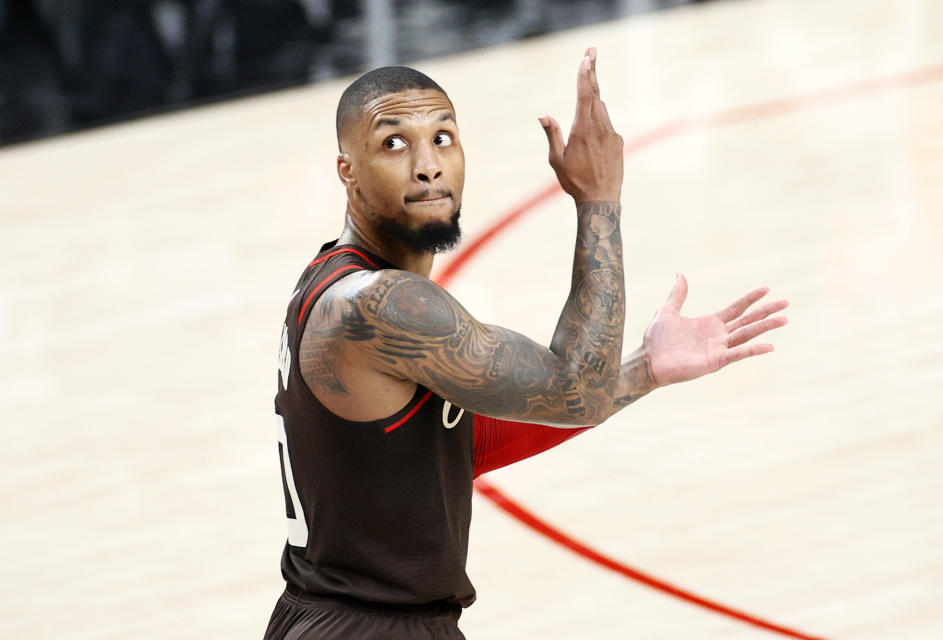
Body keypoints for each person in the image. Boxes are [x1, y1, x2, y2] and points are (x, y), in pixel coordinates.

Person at [264, 47, 788, 640]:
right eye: (393, 143)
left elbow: (460, 447)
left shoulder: (336, 279)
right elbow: (574, 389)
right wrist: (598, 199)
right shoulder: (383, 306)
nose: (427, 165)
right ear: (346, 171)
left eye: (443, 138)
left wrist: (645, 370)